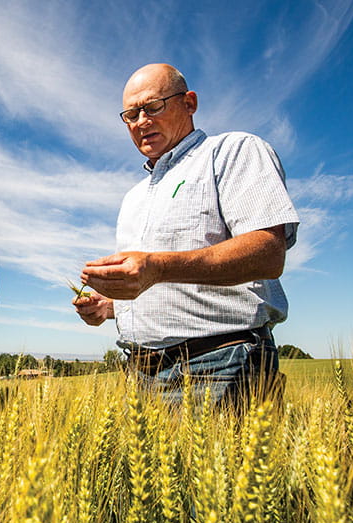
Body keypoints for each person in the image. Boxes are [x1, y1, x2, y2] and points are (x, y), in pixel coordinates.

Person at [74, 63, 300, 410]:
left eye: (153, 107)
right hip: (140, 372)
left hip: (221, 363)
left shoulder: (232, 151)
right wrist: (111, 307)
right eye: (130, 115)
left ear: (189, 103)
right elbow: (156, 279)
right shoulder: (134, 197)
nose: (141, 122)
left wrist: (157, 268)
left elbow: (268, 252)